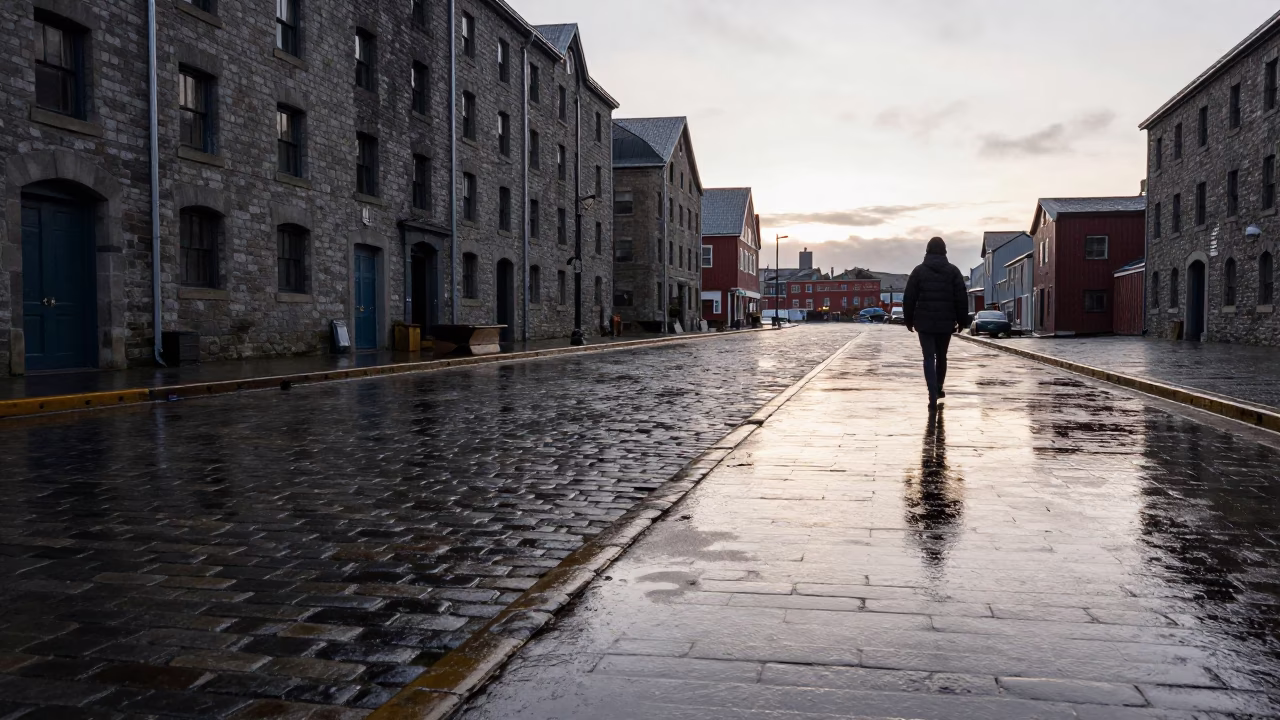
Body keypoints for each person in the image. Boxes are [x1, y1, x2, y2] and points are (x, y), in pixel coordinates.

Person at [903, 237, 968, 408]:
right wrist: (962, 320)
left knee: (928, 357)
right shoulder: (953, 272)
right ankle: (938, 387)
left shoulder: (918, 271)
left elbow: (909, 298)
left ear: (927, 250)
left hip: (924, 323)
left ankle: (931, 392)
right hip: (945, 322)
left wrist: (908, 319)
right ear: (944, 251)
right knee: (941, 356)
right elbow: (961, 298)